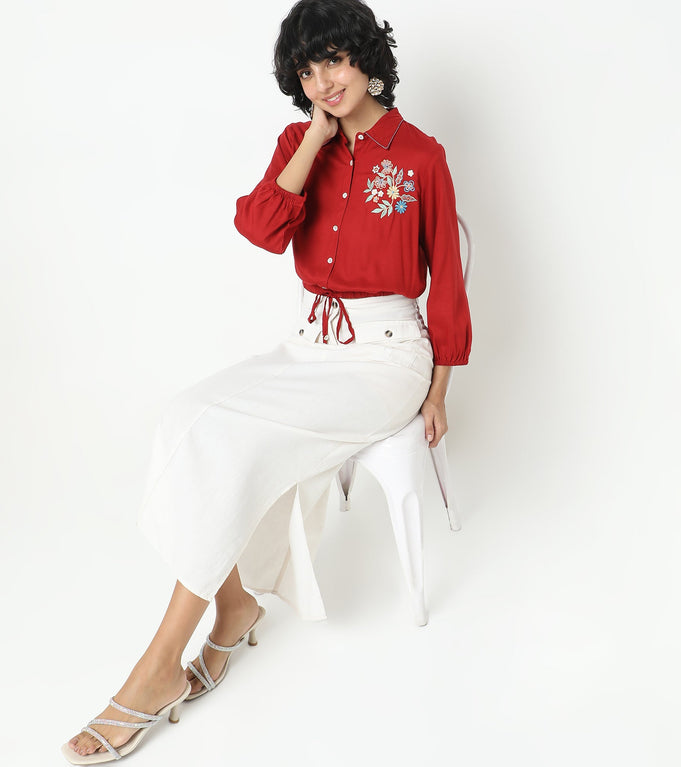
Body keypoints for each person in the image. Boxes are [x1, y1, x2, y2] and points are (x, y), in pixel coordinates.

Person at [62, 0, 471, 761]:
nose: (323, 82)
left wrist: (438, 391)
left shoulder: (420, 155)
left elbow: (446, 277)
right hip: (309, 344)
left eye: (334, 60)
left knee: (229, 437)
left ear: (365, 56)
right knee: (187, 416)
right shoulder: (299, 142)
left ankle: (158, 667)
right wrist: (314, 138)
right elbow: (260, 229)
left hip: (386, 359)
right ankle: (236, 605)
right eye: (307, 71)